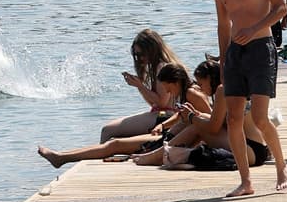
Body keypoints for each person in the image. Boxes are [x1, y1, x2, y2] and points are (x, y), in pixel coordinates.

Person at [197, 0, 287, 196]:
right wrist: (224, 61)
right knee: (233, 117)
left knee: (260, 117)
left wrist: (254, 28)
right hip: (236, 53)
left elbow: (281, 7)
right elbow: (223, 25)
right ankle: (246, 181)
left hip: (261, 46)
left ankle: (281, 165)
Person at [38, 62, 211, 168]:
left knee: (115, 145)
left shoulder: (192, 93)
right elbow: (183, 115)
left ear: (177, 81)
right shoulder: (185, 93)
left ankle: (61, 158)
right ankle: (61, 157)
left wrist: (193, 145)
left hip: (176, 141)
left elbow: (211, 120)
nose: (166, 91)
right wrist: (163, 125)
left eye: (168, 87)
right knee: (114, 143)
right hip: (170, 135)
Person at [134, 59, 270, 171]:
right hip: (257, 148)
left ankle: (157, 155)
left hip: (250, 150)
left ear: (210, 78)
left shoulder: (221, 91)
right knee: (198, 122)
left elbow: (213, 128)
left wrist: (192, 117)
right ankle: (163, 154)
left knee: (196, 127)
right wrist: (196, 114)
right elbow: (221, 121)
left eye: (201, 83)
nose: (200, 88)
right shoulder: (230, 87)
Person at [100, 28, 184, 142]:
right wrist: (139, 86)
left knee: (107, 130)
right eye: (136, 55)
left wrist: (140, 86)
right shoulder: (160, 67)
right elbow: (155, 103)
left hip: (165, 117)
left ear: (152, 50)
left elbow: (162, 103)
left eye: (141, 54)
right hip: (164, 115)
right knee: (113, 133)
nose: (140, 58)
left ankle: (102, 156)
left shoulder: (162, 67)